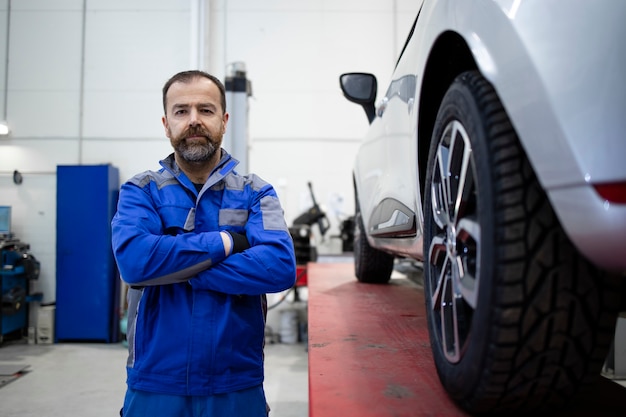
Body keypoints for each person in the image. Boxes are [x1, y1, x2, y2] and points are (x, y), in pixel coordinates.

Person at [111, 70, 297, 417]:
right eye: (181, 111)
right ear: (166, 124)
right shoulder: (140, 191)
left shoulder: (257, 193)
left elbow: (279, 268)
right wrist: (227, 242)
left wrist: (173, 266)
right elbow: (135, 264)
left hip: (235, 384)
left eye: (206, 110)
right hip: (155, 382)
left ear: (224, 121)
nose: (194, 120)